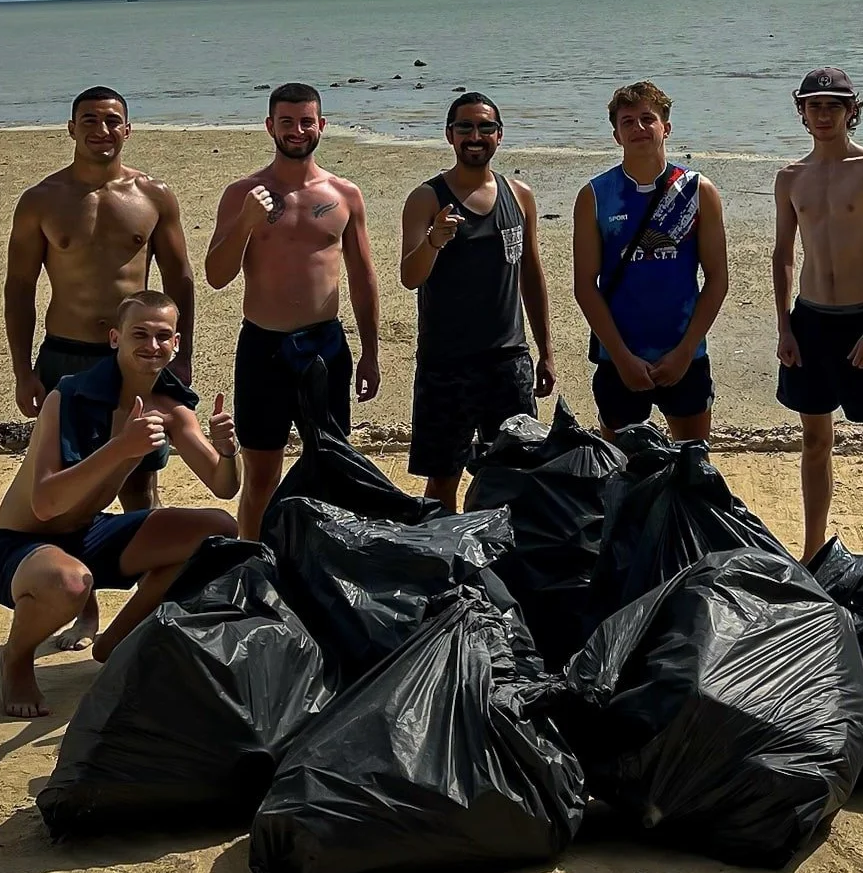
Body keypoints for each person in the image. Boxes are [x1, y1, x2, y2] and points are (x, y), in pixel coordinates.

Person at [0, 290, 238, 719]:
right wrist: (120, 448)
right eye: (140, 334)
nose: (152, 346)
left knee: (218, 533)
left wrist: (228, 451)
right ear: (115, 338)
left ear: (177, 344)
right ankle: (17, 658)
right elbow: (45, 503)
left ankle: (115, 641)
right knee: (71, 583)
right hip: (23, 546)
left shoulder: (172, 408)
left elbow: (223, 487)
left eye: (162, 336)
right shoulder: (68, 397)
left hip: (88, 534)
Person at [4, 86, 197, 514]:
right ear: (72, 129)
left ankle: (150, 579)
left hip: (135, 357)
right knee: (64, 485)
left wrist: (181, 359)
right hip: (65, 354)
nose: (102, 129)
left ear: (127, 130)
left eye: (112, 120)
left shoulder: (153, 195)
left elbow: (179, 279)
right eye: (89, 120)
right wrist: (22, 371)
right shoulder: (41, 200)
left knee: (138, 483)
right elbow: (19, 286)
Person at [206, 82, 382, 538]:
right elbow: (216, 274)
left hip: (325, 345)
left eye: (306, 121)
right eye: (287, 122)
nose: (297, 130)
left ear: (322, 125)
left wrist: (370, 353)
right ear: (270, 126)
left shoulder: (345, 195)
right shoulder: (243, 193)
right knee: (261, 473)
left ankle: (322, 561)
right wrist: (246, 221)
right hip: (263, 345)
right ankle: (251, 563)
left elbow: (363, 279)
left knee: (330, 465)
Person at [400, 92, 557, 508]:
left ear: (499, 136)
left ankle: (505, 564)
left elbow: (531, 274)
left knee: (516, 475)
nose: (475, 135)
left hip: (508, 361)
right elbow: (410, 276)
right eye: (465, 127)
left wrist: (546, 351)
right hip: (446, 366)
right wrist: (433, 241)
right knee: (442, 483)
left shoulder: (518, 195)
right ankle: (446, 565)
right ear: (449, 135)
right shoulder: (426, 198)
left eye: (485, 127)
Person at [773, 67, 863, 564]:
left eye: (833, 105)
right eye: (814, 105)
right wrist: (784, 325)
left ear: (852, 110)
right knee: (814, 439)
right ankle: (812, 551)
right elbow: (783, 254)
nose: (823, 114)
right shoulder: (790, 176)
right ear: (802, 111)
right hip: (810, 320)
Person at [574, 81, 728, 442]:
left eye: (648, 119)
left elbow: (717, 278)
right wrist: (622, 357)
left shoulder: (697, 189)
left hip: (684, 354)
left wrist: (685, 351)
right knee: (618, 471)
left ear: (666, 128)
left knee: (691, 468)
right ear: (616, 135)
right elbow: (585, 285)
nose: (639, 129)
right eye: (628, 122)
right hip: (620, 358)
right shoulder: (595, 195)